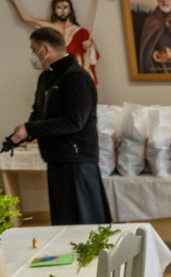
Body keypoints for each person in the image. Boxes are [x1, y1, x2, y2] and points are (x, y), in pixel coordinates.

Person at [9, 27, 112, 225]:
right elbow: (39, 114)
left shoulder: (77, 77)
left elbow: (74, 122)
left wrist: (30, 129)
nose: (32, 55)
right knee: (63, 223)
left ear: (45, 49)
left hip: (77, 161)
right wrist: (21, 135)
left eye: (33, 50)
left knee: (84, 223)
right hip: (55, 158)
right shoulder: (46, 78)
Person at [8, 0, 99, 84]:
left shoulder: (82, 32)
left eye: (65, 7)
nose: (62, 11)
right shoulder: (50, 28)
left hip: (77, 73)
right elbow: (26, 18)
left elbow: (91, 58)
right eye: (59, 7)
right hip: (59, 73)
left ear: (71, 10)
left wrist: (89, 48)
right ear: (54, 11)